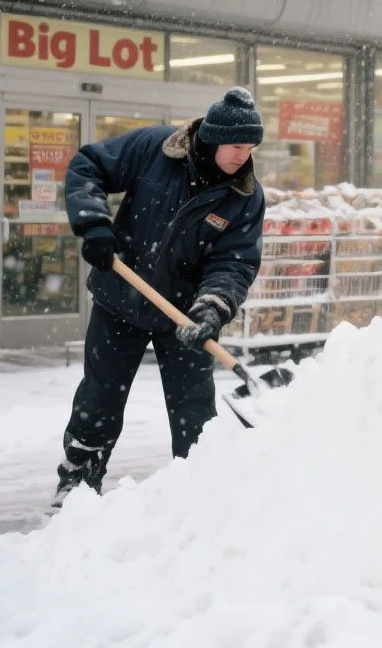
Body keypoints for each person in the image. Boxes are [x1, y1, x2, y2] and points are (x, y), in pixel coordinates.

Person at [54, 87, 266, 505]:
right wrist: (94, 223)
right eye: (237, 145)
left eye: (251, 147)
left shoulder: (244, 197)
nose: (243, 155)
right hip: (122, 296)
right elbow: (89, 164)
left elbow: (235, 262)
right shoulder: (155, 149)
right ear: (214, 136)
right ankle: (78, 479)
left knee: (195, 410)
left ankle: (197, 491)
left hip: (185, 317)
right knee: (100, 397)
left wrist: (212, 308)